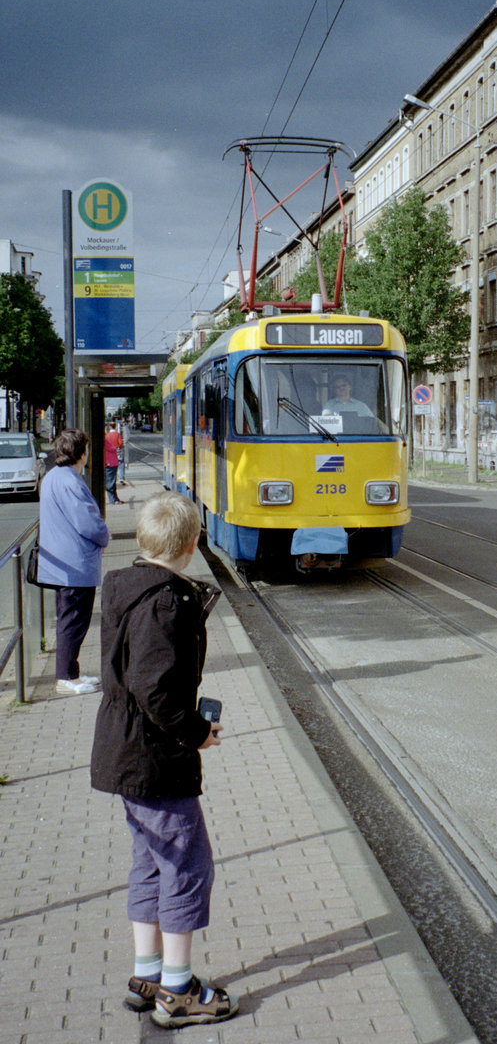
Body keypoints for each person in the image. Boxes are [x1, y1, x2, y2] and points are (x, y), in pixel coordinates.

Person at [90, 492, 238, 1029]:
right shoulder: (163, 603)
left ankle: (146, 975)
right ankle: (177, 992)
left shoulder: (125, 586)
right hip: (153, 759)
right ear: (192, 544)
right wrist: (196, 732)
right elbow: (154, 688)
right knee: (186, 865)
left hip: (125, 753)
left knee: (151, 862)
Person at [38, 428, 110, 695]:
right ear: (80, 452)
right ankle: (66, 678)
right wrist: (105, 536)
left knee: (68, 619)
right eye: (87, 449)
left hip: (59, 562)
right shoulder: (71, 481)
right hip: (75, 565)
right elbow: (88, 523)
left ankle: (71, 672)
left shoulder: (52, 478)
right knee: (74, 621)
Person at [104, 420, 124, 504]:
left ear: (109, 427)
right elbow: (120, 443)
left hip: (110, 462)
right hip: (111, 462)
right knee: (111, 482)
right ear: (115, 426)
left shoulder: (107, 436)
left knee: (111, 481)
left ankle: (115, 499)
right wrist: (117, 447)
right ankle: (113, 500)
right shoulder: (117, 434)